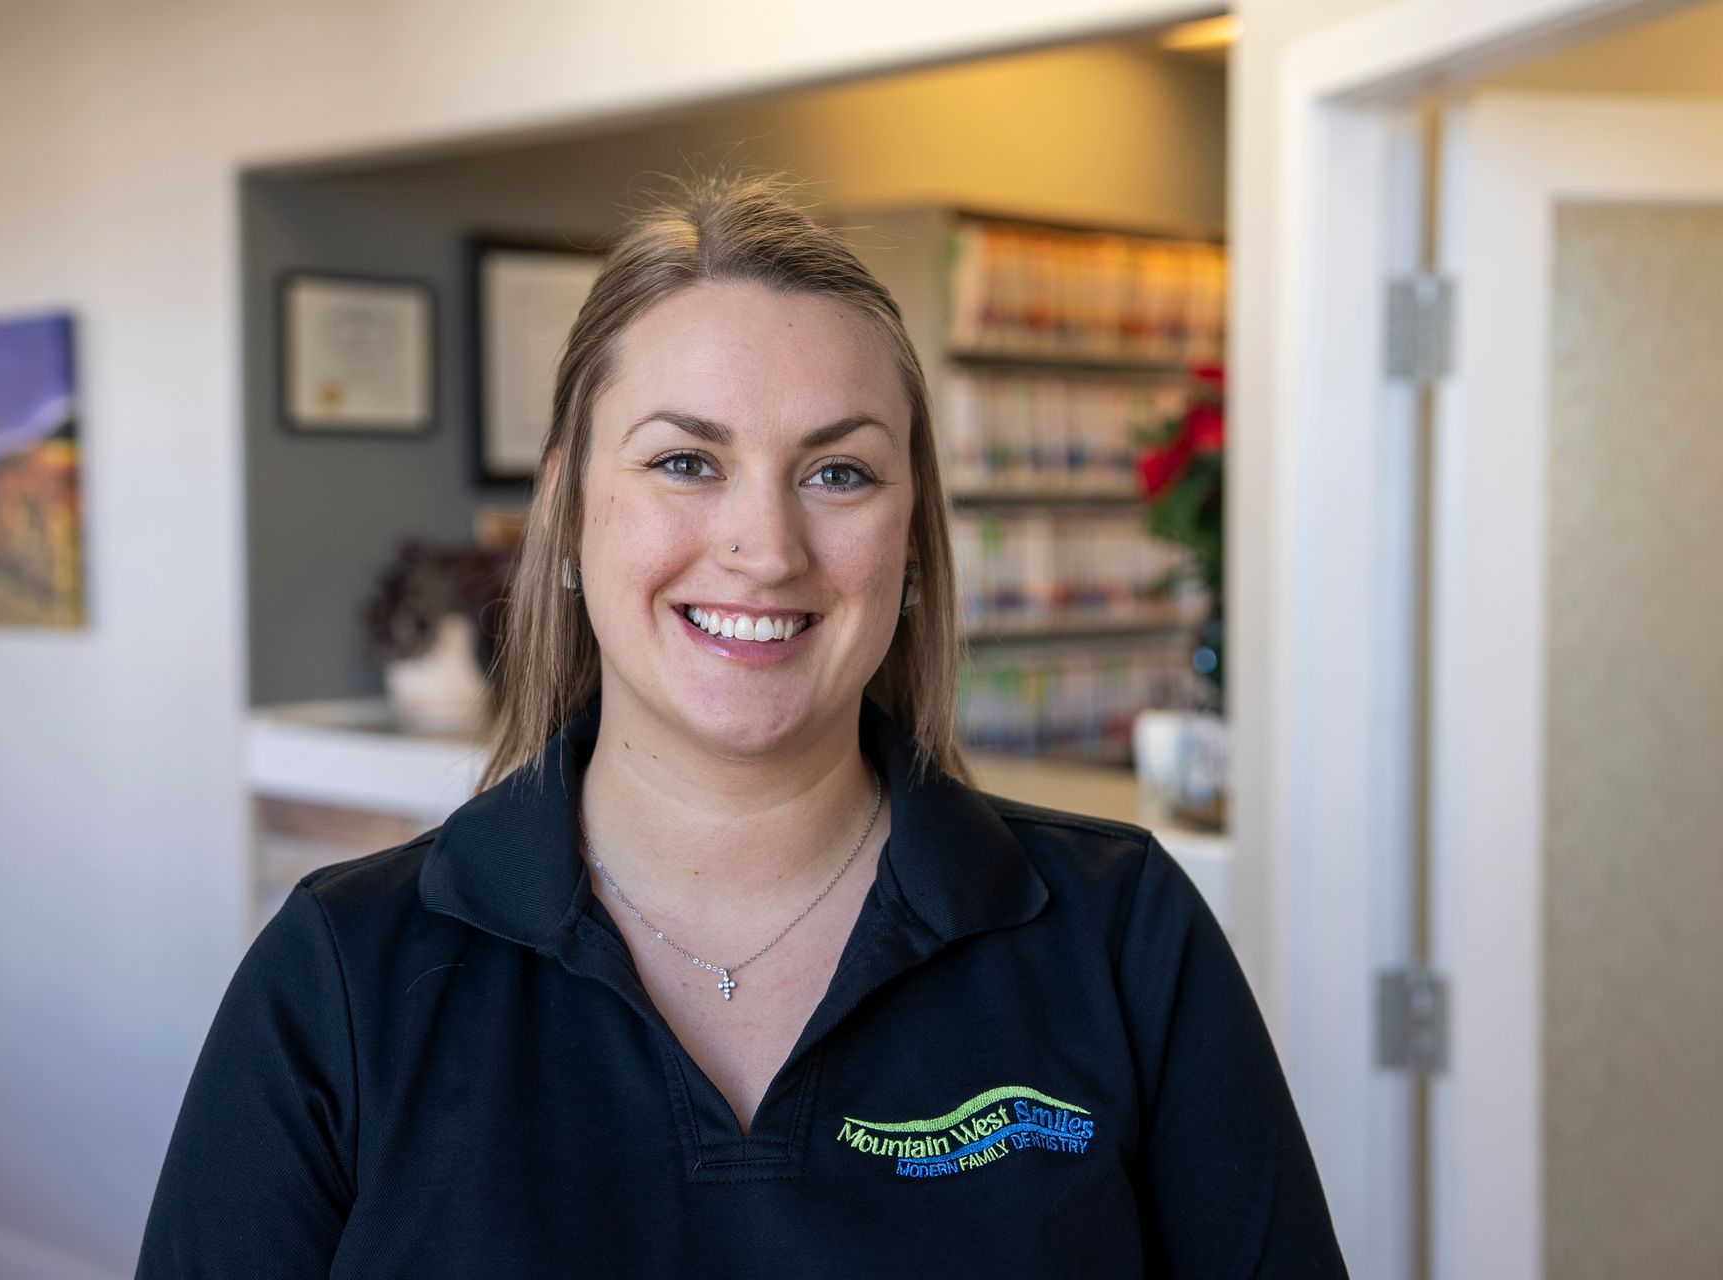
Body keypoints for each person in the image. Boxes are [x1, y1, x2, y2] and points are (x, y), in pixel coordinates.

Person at [135, 170, 1348, 1277]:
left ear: (911, 538)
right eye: (685, 461)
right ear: (566, 509)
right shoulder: (342, 974)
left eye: (839, 472)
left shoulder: (1122, 936)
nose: (765, 548)